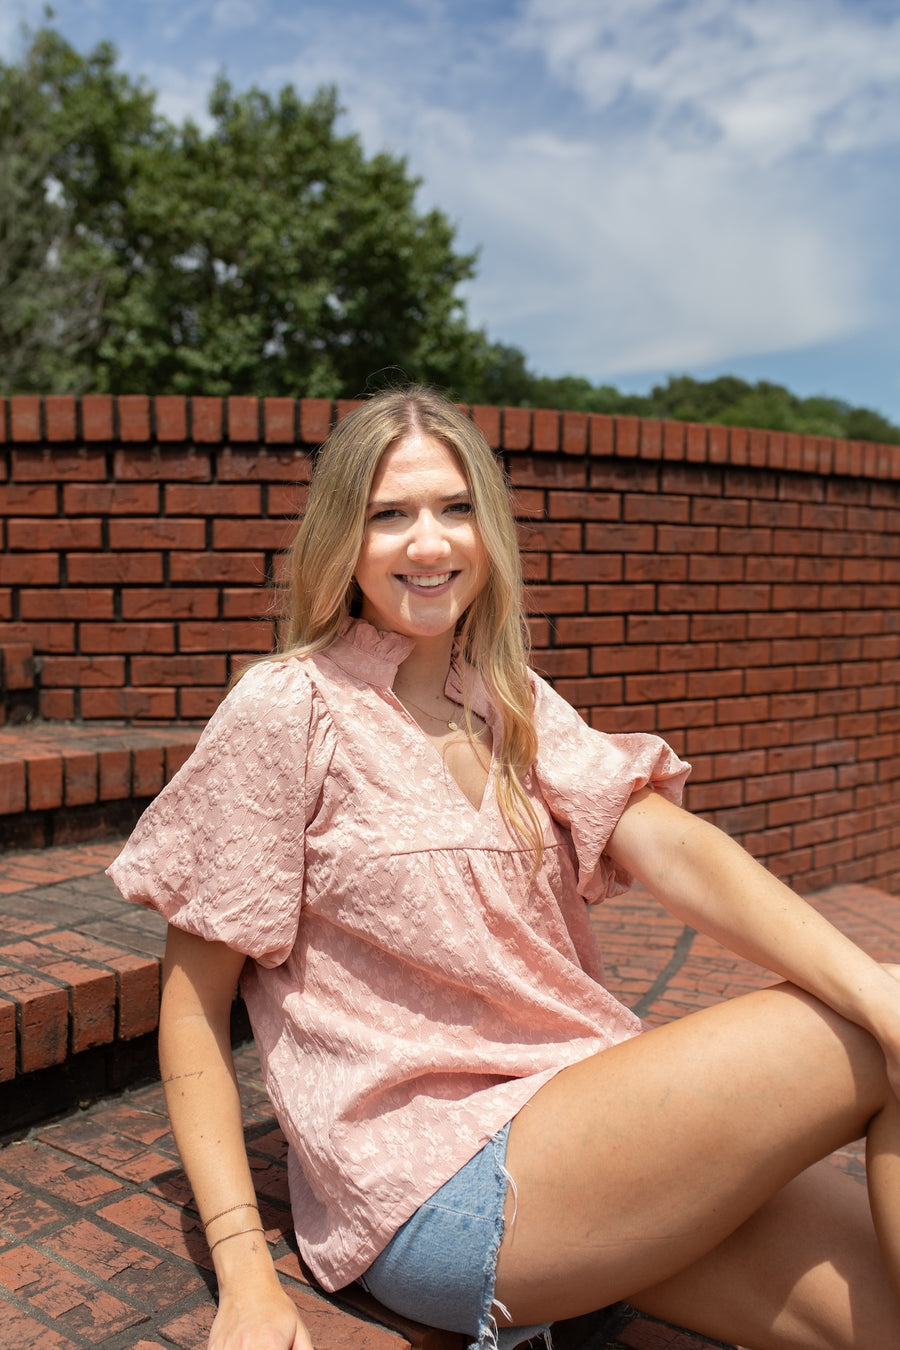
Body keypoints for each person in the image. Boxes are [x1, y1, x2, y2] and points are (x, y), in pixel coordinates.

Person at [108, 386, 900, 1350]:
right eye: (389, 514)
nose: (430, 543)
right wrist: (245, 1277)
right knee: (868, 1032)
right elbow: (192, 1012)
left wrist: (865, 981)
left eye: (454, 508)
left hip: (590, 1127)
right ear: (341, 539)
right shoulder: (289, 708)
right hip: (442, 1185)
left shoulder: (509, 697)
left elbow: (676, 852)